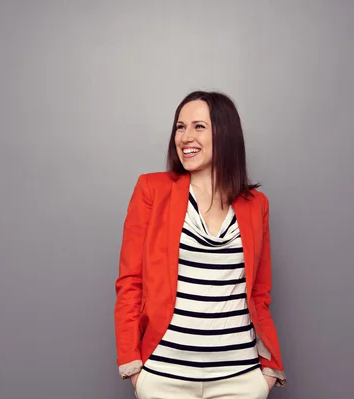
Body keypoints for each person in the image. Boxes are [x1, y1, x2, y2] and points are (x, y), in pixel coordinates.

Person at [113, 91, 286, 399]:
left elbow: (259, 292)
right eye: (180, 127)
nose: (185, 137)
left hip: (240, 378)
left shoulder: (255, 204)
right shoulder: (151, 190)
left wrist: (268, 371)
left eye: (198, 127)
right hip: (165, 376)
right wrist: (133, 365)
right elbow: (130, 282)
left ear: (225, 134)